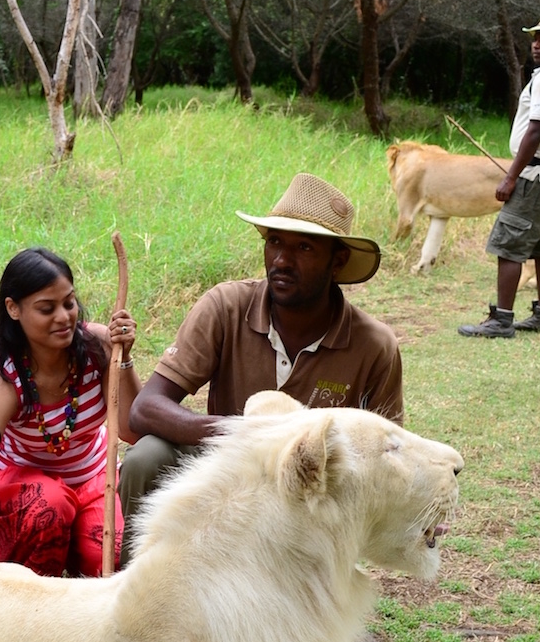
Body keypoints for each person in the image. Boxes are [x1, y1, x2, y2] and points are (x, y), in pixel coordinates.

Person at [119, 172, 403, 561]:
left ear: (337, 262)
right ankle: (139, 591)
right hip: (226, 470)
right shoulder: (226, 307)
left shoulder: (374, 345)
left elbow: (390, 453)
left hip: (311, 495)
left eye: (304, 247)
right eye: (274, 242)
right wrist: (248, 435)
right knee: (145, 458)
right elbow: (146, 407)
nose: (282, 261)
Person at [0, 247, 140, 579]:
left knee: (109, 557)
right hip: (28, 493)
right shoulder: (4, 378)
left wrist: (122, 358)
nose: (64, 317)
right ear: (13, 309)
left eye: (69, 303)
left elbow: (130, 430)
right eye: (46, 309)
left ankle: (77, 548)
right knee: (51, 505)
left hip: (94, 481)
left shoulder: (97, 348)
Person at [459, 9, 540, 338]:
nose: (537, 45)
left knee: (508, 244)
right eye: (535, 38)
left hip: (537, 179)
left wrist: (511, 177)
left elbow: (535, 132)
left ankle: (502, 320)